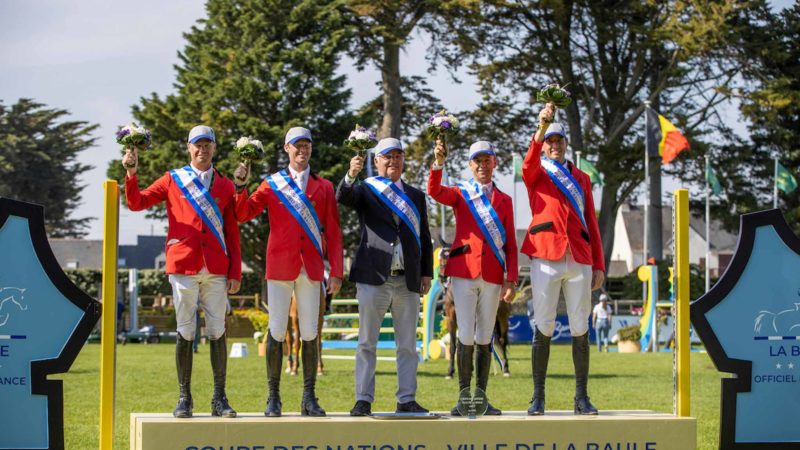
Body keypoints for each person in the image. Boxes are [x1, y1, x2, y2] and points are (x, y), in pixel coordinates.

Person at [122, 125, 241, 419]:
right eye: (197, 145)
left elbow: (233, 231)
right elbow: (137, 202)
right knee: (186, 329)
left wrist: (235, 270)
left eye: (208, 145)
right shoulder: (173, 179)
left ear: (214, 148)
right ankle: (184, 397)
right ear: (188, 148)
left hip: (216, 267)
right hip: (183, 264)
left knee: (217, 331)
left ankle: (219, 398)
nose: (203, 150)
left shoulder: (226, 185)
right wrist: (131, 174)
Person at [232, 126, 343, 417]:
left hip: (312, 268)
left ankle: (309, 397)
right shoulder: (271, 184)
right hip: (279, 267)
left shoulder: (325, 187)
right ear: (286, 149)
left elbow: (333, 231)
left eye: (306, 145)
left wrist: (337, 272)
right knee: (277, 331)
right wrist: (241, 187)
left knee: (309, 333)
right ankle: (273, 397)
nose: (302, 150)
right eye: (297, 145)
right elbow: (242, 214)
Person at [337, 137, 433, 417]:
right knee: (367, 342)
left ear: (404, 160)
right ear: (376, 161)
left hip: (408, 279)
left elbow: (424, 237)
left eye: (397, 156)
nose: (393, 161)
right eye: (386, 156)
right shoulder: (366, 189)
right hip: (373, 275)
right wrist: (351, 174)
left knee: (407, 345)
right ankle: (363, 399)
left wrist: (427, 271)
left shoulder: (415, 196)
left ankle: (407, 398)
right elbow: (343, 196)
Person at [520, 103, 605, 416]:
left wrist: (599, 263)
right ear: (545, 144)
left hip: (579, 255)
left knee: (581, 325)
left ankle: (581, 397)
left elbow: (591, 222)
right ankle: (538, 397)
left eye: (559, 141)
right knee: (543, 324)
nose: (555, 145)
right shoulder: (537, 172)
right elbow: (528, 164)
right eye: (550, 142)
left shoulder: (582, 178)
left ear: (566, 144)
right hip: (546, 254)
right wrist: (541, 126)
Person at [428, 138, 518, 415]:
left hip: (492, 275)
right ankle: (463, 398)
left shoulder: (505, 200)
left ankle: (480, 399)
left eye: (487, 160)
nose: (482, 165)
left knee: (484, 336)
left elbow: (511, 244)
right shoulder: (460, 192)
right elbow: (434, 191)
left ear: (495, 163)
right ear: (470, 165)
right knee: (465, 333)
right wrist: (439, 164)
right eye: (477, 161)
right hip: (464, 272)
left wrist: (511, 279)